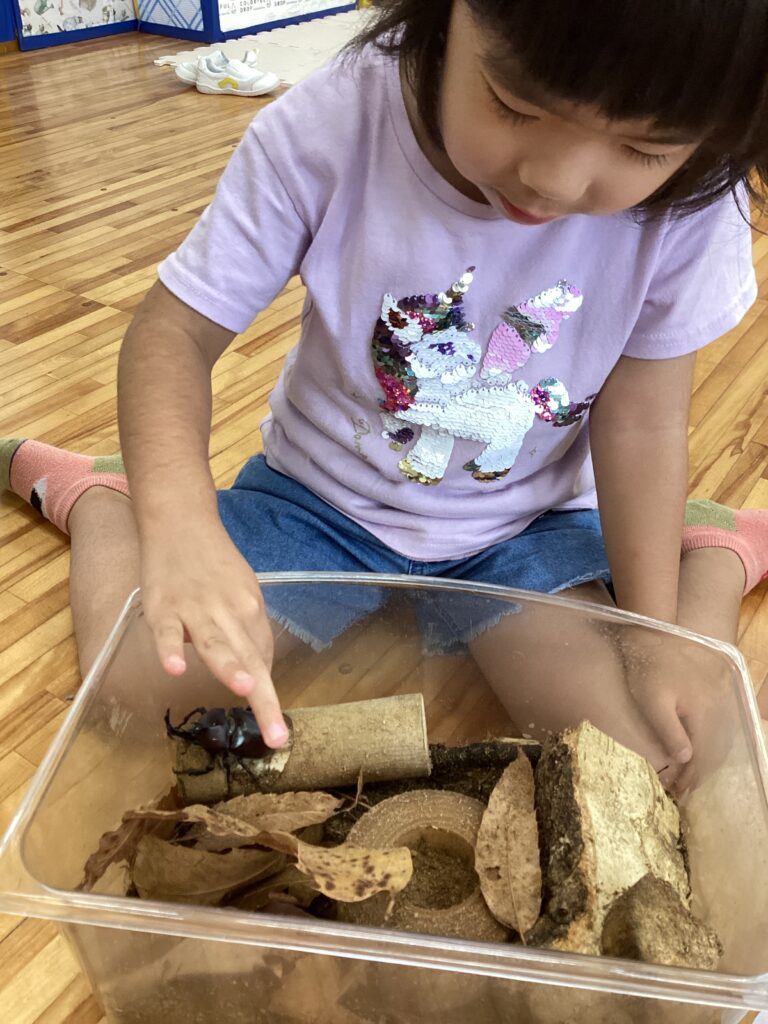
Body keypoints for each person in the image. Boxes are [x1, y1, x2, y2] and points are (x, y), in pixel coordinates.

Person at [3, 0, 768, 792]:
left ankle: (710, 552)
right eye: (514, 104)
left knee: (656, 752)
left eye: (643, 147)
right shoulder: (337, 122)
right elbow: (172, 337)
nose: (554, 179)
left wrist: (650, 635)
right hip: (319, 508)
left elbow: (642, 421)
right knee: (133, 689)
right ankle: (101, 495)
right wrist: (179, 529)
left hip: (525, 531)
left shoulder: (693, 194)